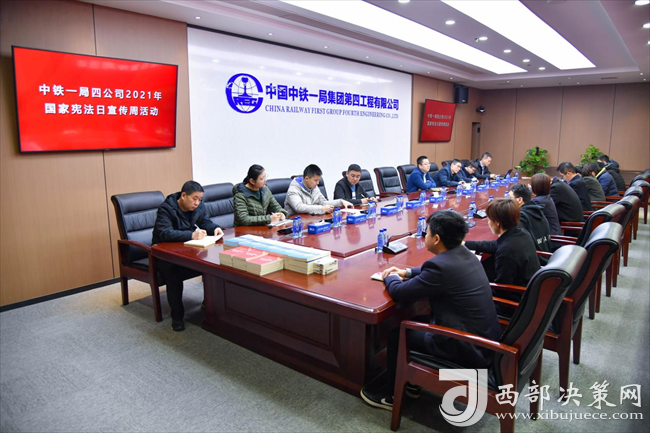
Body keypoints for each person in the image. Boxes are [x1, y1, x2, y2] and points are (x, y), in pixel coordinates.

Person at [360, 211, 500, 411]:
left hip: (465, 347)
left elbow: (400, 292)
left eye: (427, 232)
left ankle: (392, 396)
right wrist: (406, 271)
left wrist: (390, 276)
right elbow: (434, 270)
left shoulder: (441, 267)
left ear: (436, 239)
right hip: (483, 340)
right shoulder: (464, 253)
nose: (425, 235)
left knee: (398, 334)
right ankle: (411, 381)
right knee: (417, 319)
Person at [152, 180, 224, 332]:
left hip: (187, 250)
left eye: (200, 199)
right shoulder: (166, 208)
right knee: (173, 274)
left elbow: (205, 222)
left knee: (212, 265)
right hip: (165, 255)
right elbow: (165, 233)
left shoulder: (199, 206)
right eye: (194, 198)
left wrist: (215, 228)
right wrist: (191, 235)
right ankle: (177, 317)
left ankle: (210, 305)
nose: (197, 203)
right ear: (184, 195)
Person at [464, 198, 540, 288]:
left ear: (497, 223)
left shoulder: (506, 251)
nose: (488, 223)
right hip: (529, 284)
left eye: (489, 220)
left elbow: (502, 288)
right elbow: (496, 245)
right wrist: (465, 244)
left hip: (515, 293)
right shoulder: (522, 233)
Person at [285, 164, 352, 216]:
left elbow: (323, 202)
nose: (318, 183)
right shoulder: (293, 190)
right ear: (307, 178)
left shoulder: (314, 187)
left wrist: (341, 202)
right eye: (315, 180)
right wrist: (321, 209)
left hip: (311, 219)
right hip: (295, 223)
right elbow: (299, 207)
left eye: (318, 180)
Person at [509, 183, 552, 255]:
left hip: (536, 258)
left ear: (520, 200)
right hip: (545, 255)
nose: (507, 201)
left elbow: (514, 242)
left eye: (510, 198)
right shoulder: (536, 210)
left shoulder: (521, 216)